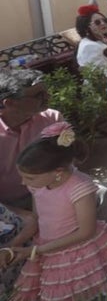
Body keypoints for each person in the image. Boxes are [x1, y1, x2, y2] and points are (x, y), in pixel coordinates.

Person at [9, 121, 107, 301]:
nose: (24, 183)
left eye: (30, 177)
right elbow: (37, 219)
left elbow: (85, 231)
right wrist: (13, 245)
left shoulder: (80, 187)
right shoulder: (38, 185)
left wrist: (36, 250)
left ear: (58, 173)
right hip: (47, 248)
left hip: (78, 252)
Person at [0, 70, 61, 210]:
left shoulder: (52, 119)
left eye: (46, 91)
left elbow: (67, 161)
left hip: (52, 191)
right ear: (9, 103)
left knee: (100, 194)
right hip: (9, 206)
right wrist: (22, 215)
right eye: (38, 95)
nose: (48, 97)